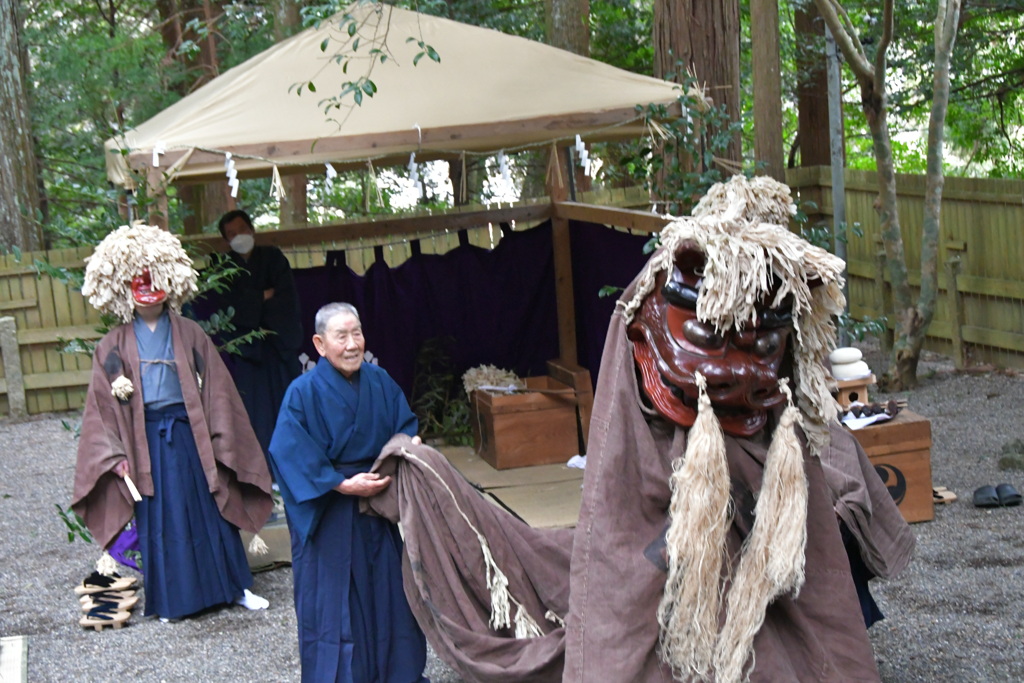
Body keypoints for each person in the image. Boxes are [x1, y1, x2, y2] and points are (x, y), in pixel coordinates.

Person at [73, 224, 274, 621]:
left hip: (191, 433)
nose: (148, 289)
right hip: (143, 438)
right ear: (123, 287)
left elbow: (218, 391)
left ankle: (236, 588)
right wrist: (115, 456)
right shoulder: (111, 345)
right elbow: (101, 407)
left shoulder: (190, 333)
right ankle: (172, 602)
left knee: (211, 507)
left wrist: (220, 439)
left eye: (155, 279)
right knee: (162, 518)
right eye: (138, 281)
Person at [268, 302, 428, 682]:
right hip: (330, 514)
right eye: (342, 336)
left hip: (377, 506)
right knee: (333, 608)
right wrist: (338, 483)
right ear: (320, 345)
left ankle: (398, 675)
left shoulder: (380, 381)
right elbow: (287, 450)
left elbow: (405, 426)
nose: (353, 344)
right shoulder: (302, 392)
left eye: (357, 333)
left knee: (390, 599)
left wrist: (407, 446)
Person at [214, 209, 304, 457]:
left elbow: (285, 297)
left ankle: (296, 463)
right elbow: (229, 308)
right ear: (226, 240)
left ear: (252, 229)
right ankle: (263, 470)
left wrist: (250, 303)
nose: (238, 236)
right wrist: (262, 296)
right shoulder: (224, 267)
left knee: (291, 406)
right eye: (231, 234)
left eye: (242, 230)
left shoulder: (273, 257)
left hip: (279, 345)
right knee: (256, 411)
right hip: (248, 353)